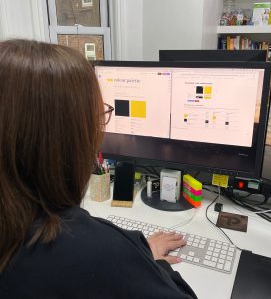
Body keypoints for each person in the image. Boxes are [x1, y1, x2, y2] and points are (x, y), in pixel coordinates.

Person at [0, 39, 197, 299]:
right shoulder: (96, 252)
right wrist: (150, 264)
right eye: (96, 118)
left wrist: (134, 257)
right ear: (70, 139)